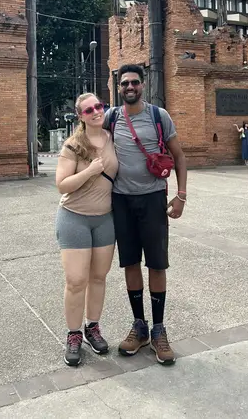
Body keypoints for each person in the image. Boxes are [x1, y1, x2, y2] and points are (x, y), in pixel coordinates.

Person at [104, 64, 187, 365]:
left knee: (156, 263)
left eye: (135, 82)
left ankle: (159, 330)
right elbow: (90, 144)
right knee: (130, 263)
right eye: (124, 83)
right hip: (121, 200)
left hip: (153, 199)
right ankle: (139, 327)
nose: (130, 87)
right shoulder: (111, 118)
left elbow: (179, 155)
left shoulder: (158, 116)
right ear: (118, 87)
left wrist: (181, 195)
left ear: (143, 85)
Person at [55, 93, 118, 367]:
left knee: (99, 277)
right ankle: (73, 334)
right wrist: (90, 171)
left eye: (98, 106)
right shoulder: (73, 145)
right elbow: (62, 184)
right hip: (75, 218)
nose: (96, 112)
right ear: (81, 116)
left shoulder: (113, 138)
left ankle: (93, 327)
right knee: (76, 280)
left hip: (105, 219)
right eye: (89, 110)